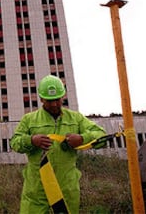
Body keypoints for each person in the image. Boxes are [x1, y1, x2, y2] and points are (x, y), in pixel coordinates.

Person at [10, 75, 106, 214]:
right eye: (49, 101)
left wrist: (82, 138)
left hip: (66, 189)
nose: (54, 104)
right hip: (37, 190)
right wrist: (31, 140)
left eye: (57, 99)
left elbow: (101, 135)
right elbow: (14, 142)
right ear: (41, 99)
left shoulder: (75, 118)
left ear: (63, 97)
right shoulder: (29, 120)